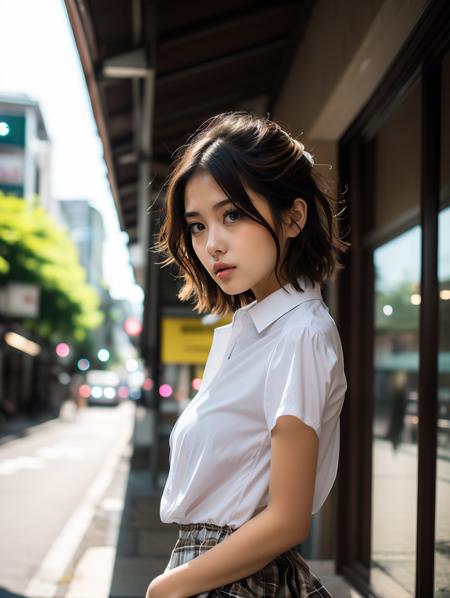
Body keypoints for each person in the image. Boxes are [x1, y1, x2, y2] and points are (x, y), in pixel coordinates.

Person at [146, 111, 350, 598]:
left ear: (293, 217)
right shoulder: (251, 333)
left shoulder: (300, 334)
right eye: (197, 226)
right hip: (213, 574)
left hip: (230, 580)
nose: (211, 244)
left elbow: (286, 519)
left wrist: (165, 588)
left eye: (232, 214)